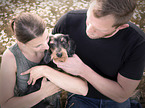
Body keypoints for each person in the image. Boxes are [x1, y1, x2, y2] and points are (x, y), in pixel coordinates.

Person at [0, 12, 88, 108]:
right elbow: (5, 105)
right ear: (21, 43)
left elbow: (82, 89)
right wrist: (43, 93)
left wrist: (44, 70)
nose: (47, 47)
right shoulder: (11, 57)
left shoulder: (56, 44)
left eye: (47, 38)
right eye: (38, 46)